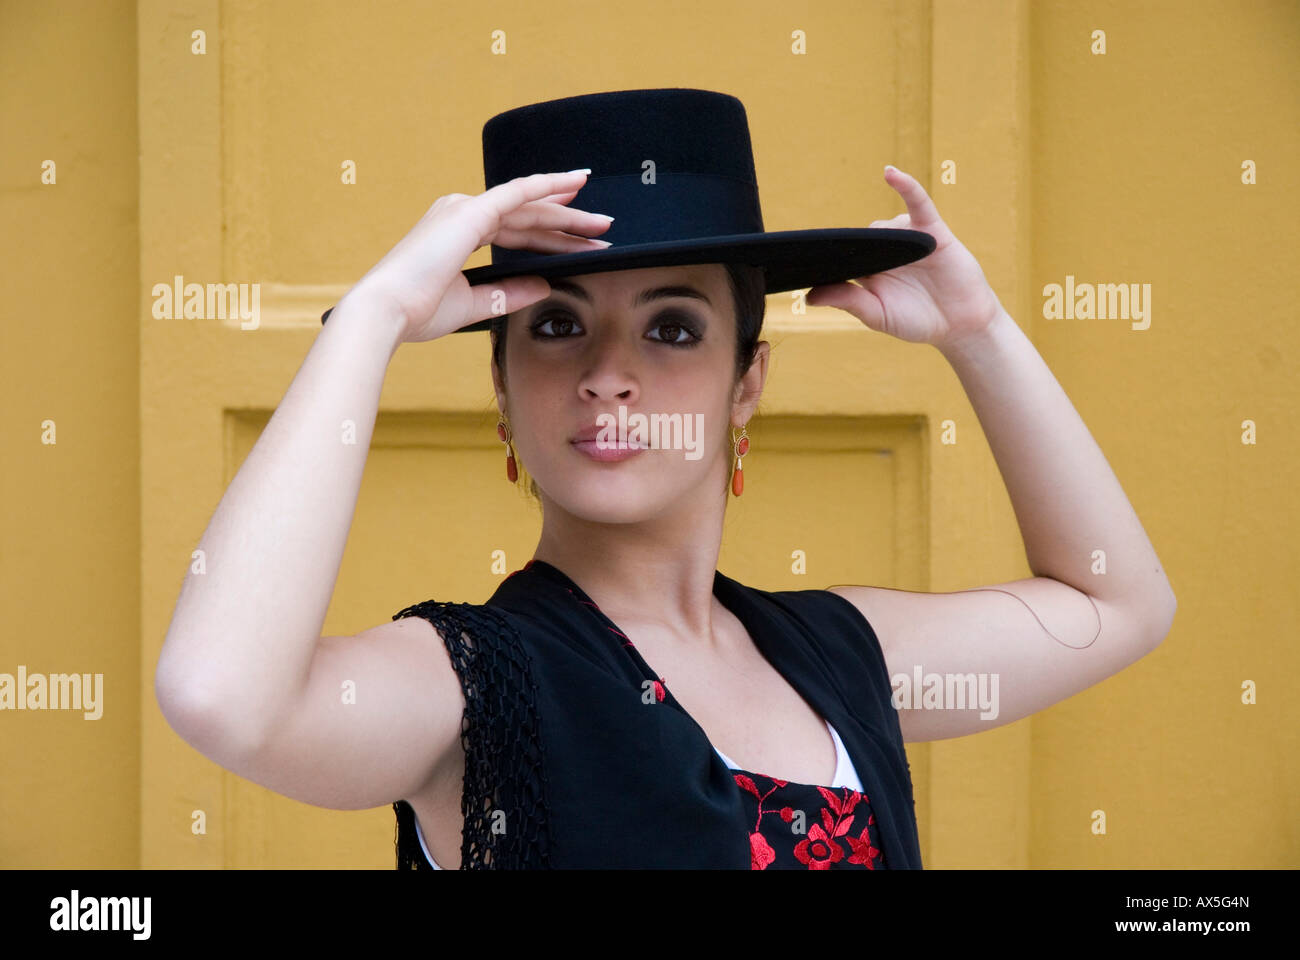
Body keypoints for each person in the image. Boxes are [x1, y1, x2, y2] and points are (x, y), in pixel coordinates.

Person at [154, 89, 1176, 871]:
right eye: (556, 326)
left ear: (746, 385)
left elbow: (1115, 602)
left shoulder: (839, 658)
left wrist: (980, 335)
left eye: (673, 327)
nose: (608, 377)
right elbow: (220, 698)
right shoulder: (471, 688)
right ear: (502, 388)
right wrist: (368, 324)